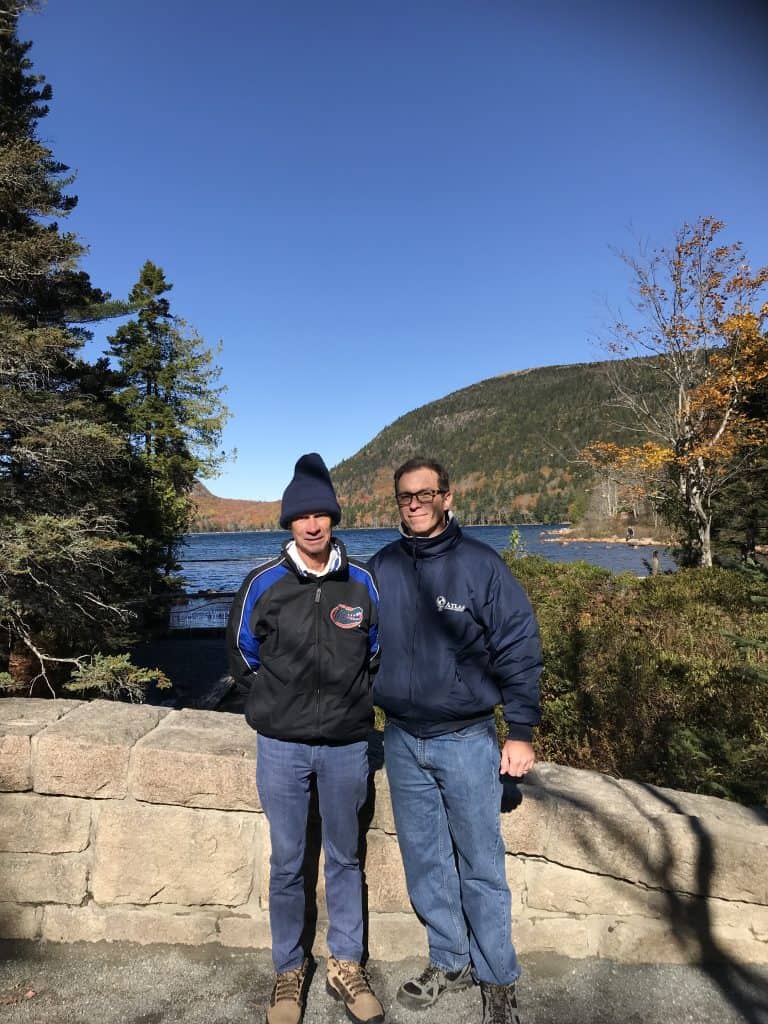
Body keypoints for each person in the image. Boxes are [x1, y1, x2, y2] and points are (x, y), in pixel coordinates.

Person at [368, 458, 543, 1024]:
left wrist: (519, 731)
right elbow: (355, 640)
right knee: (426, 861)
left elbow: (518, 644)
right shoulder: (383, 568)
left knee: (481, 863)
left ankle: (498, 978)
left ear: (447, 497)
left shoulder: (480, 566)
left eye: (425, 494)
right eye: (404, 497)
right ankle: (449, 959)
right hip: (400, 737)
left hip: (467, 739)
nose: (414, 504)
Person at [227, 453, 384, 1024]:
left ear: (334, 518)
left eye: (322, 514)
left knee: (345, 856)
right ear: (289, 523)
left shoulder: (363, 582)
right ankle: (288, 971)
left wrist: (347, 704)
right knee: (288, 861)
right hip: (282, 747)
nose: (313, 524)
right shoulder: (262, 583)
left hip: (346, 745)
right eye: (302, 515)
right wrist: (277, 702)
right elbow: (243, 656)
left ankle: (346, 963)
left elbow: (376, 652)